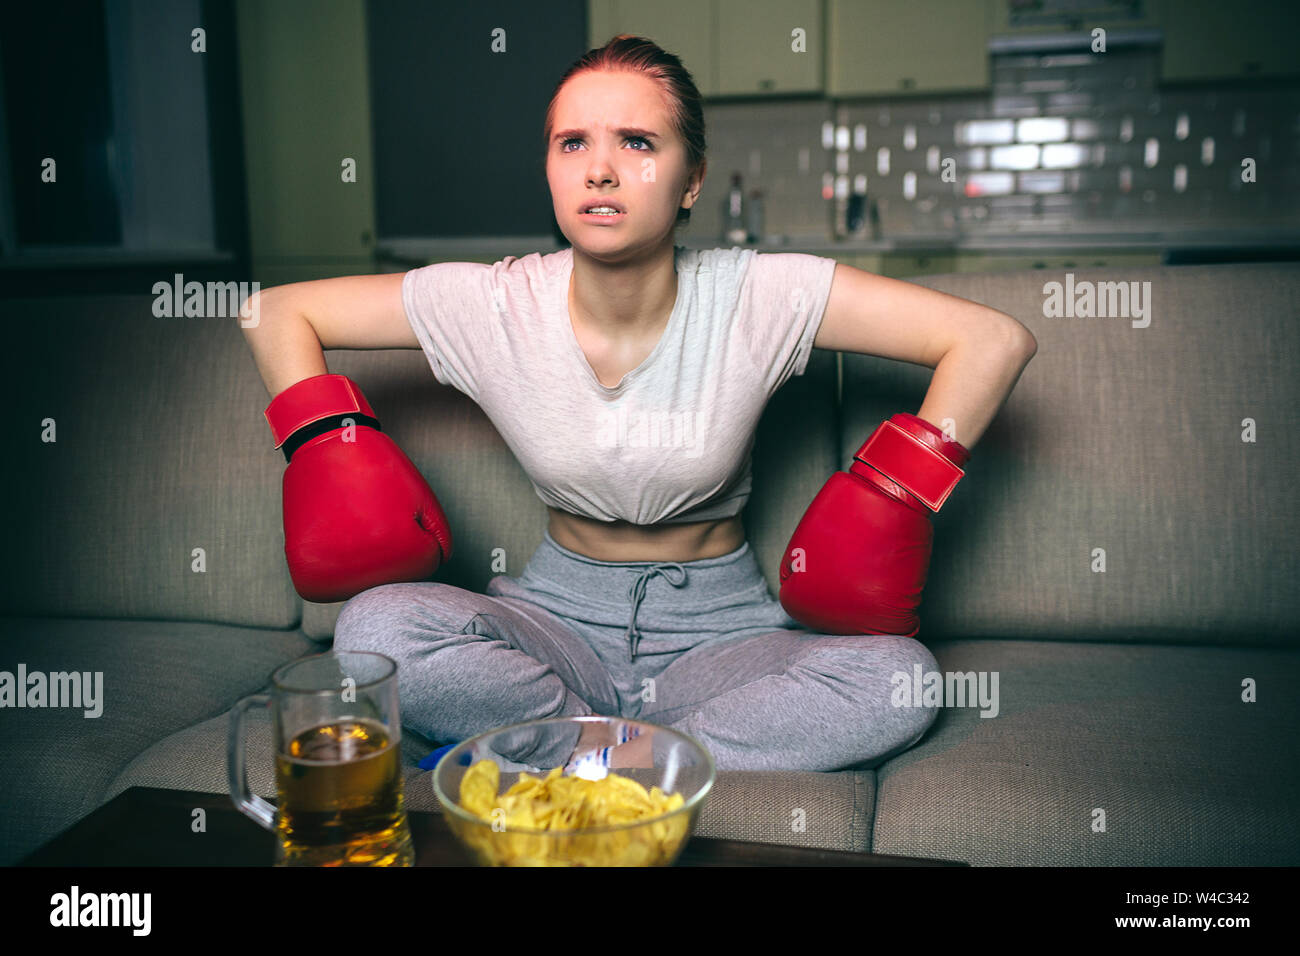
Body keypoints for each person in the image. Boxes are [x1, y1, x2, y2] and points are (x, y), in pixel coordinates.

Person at [242, 35, 1037, 774]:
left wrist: (897, 487)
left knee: (902, 678)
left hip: (724, 640)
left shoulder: (761, 293)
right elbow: (275, 312)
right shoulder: (490, 303)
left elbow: (990, 340)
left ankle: (581, 759)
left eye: (638, 143)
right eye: (573, 143)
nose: (599, 169)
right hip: (553, 627)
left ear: (692, 178)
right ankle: (646, 762)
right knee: (375, 628)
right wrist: (324, 447)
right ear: (550, 168)